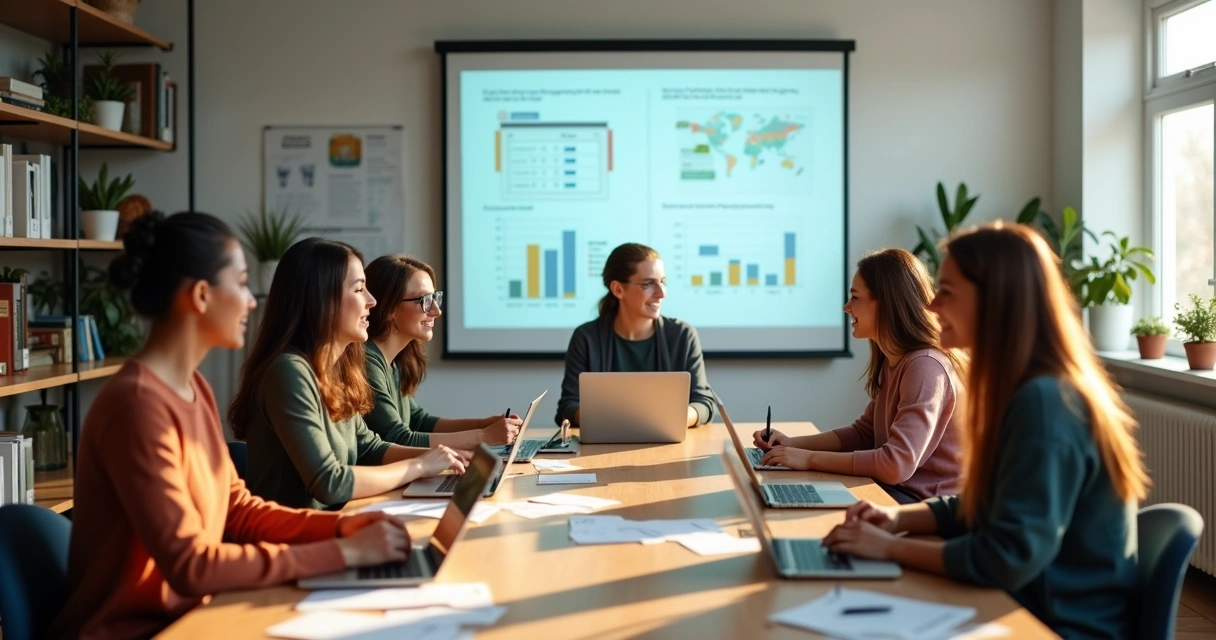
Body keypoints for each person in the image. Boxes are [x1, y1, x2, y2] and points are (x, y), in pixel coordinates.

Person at [52, 213, 413, 639]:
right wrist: (343, 552)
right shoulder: (136, 406)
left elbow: (238, 510)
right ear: (201, 296)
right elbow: (190, 565)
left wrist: (338, 528)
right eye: (240, 284)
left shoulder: (193, 388)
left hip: (197, 615)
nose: (251, 301)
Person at [823, 223, 1148, 638]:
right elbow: (984, 504)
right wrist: (894, 517)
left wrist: (890, 548)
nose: (932, 304)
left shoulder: (1045, 402)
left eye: (947, 291)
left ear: (995, 300)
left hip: (1054, 624)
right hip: (1029, 602)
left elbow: (1007, 556)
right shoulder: (1024, 389)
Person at [229, 238, 467, 510]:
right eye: (359, 289)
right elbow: (329, 482)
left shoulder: (339, 370)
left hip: (337, 521)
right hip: (298, 532)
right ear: (322, 299)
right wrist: (420, 465)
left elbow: (370, 448)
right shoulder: (289, 372)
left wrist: (447, 457)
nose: (372, 301)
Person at [753, 249, 965, 502]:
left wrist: (808, 459)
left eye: (854, 297)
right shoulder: (896, 361)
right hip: (896, 492)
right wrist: (791, 444)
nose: (846, 307)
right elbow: (864, 434)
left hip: (923, 505)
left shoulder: (926, 367)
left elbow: (895, 464)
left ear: (887, 303)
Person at [362, 254, 522, 448]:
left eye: (434, 298)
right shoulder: (367, 362)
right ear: (389, 308)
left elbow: (418, 421)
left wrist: (487, 425)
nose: (436, 311)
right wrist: (483, 436)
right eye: (425, 300)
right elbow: (398, 438)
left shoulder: (396, 361)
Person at [556, 242, 714, 427]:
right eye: (648, 283)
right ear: (618, 289)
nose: (661, 293)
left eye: (662, 282)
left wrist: (669, 421)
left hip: (668, 439)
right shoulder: (586, 338)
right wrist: (613, 423)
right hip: (605, 442)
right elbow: (568, 407)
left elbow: (703, 403)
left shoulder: (682, 335)